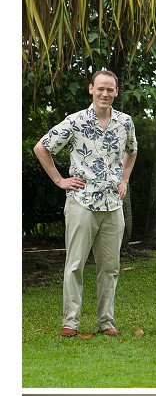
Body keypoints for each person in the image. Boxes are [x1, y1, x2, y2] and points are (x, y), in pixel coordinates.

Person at [33, 69, 137, 337]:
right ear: (91, 89)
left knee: (110, 268)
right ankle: (71, 321)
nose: (105, 93)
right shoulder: (75, 121)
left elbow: (132, 151)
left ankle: (106, 322)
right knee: (75, 264)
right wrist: (59, 180)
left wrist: (124, 179)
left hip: (113, 205)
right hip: (82, 202)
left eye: (110, 89)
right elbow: (41, 147)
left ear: (116, 92)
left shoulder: (125, 122)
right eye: (100, 88)